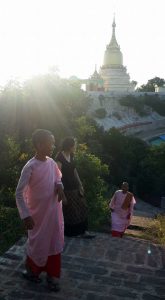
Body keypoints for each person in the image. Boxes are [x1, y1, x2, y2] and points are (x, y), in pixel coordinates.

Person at [16, 129, 65, 292]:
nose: (53, 146)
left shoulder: (51, 162)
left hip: (53, 213)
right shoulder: (30, 166)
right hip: (37, 215)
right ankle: (32, 273)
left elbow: (58, 177)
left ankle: (51, 277)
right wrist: (26, 215)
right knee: (37, 243)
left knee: (53, 243)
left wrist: (59, 186)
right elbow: (19, 193)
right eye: (50, 143)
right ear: (39, 144)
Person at [56, 137, 94, 238]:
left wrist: (80, 183)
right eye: (74, 145)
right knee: (72, 212)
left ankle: (83, 231)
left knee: (82, 208)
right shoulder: (60, 157)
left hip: (75, 187)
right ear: (69, 146)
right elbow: (57, 176)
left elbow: (74, 170)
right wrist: (62, 194)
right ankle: (73, 233)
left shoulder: (71, 155)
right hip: (67, 189)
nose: (75, 147)